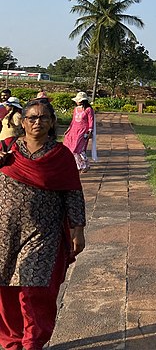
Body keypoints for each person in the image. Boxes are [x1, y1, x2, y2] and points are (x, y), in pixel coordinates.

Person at [0, 98, 86, 350]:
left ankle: (33, 342)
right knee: (5, 289)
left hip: (43, 233)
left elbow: (73, 193)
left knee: (35, 290)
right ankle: (11, 341)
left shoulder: (60, 156)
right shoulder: (7, 149)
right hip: (5, 231)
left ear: (52, 123)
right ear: (22, 122)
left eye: (43, 118)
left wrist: (77, 230)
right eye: (32, 118)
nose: (37, 122)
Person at [63, 92, 95, 172]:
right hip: (74, 130)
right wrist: (69, 129)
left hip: (83, 131)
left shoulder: (88, 110)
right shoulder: (76, 109)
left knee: (79, 148)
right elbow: (73, 120)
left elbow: (91, 121)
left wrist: (90, 131)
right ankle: (79, 165)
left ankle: (86, 164)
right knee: (72, 148)